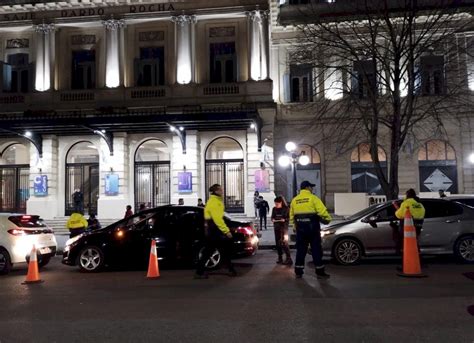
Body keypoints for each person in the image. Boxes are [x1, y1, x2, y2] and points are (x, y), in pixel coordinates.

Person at [290, 180, 332, 279]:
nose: (312, 189)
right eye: (311, 187)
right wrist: (328, 219)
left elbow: (292, 216)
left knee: (301, 250)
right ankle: (320, 271)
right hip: (313, 229)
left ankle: (298, 271)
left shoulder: (294, 200)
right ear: (308, 188)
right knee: (316, 250)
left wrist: (294, 227)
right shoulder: (313, 198)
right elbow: (322, 212)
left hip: (300, 229)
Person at [195, 184, 237, 279]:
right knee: (220, 250)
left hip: (212, 229)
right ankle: (230, 269)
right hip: (214, 230)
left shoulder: (214, 201)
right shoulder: (215, 202)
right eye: (221, 189)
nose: (222, 190)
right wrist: (226, 231)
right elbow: (218, 219)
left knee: (210, 251)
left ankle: (199, 272)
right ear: (216, 191)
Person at [392, 188, 425, 255]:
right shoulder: (419, 204)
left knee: (404, 242)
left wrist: (395, 206)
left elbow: (399, 215)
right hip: (418, 227)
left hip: (408, 228)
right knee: (414, 242)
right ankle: (418, 257)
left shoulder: (406, 203)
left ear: (407, 195)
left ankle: (403, 255)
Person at [271, 196, 293, 266]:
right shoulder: (274, 209)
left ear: (281, 202)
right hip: (276, 228)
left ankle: (288, 258)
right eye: (275, 204)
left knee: (284, 242)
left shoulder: (286, 209)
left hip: (284, 229)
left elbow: (289, 218)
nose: (276, 205)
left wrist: (284, 220)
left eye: (277, 204)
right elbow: (272, 217)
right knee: (278, 243)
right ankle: (280, 257)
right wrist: (273, 219)